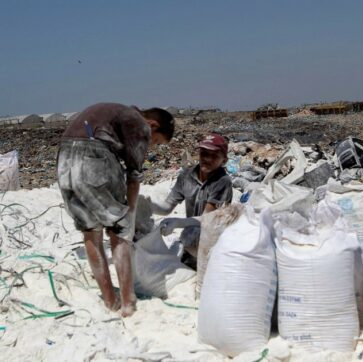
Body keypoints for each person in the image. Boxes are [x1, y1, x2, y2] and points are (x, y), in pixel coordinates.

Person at [57, 102, 174, 317]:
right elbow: (134, 176)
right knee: (119, 232)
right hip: (94, 159)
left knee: (90, 232)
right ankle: (128, 301)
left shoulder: (118, 115)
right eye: (156, 141)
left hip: (64, 161)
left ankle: (110, 300)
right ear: (153, 125)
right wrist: (128, 214)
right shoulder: (140, 125)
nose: (152, 146)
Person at [152, 133, 233, 268]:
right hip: (191, 236)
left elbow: (208, 219)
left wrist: (178, 222)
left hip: (212, 238)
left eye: (214, 155)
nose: (207, 159)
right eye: (204, 153)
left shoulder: (222, 182)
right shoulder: (186, 176)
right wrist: (148, 206)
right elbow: (167, 206)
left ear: (224, 160)